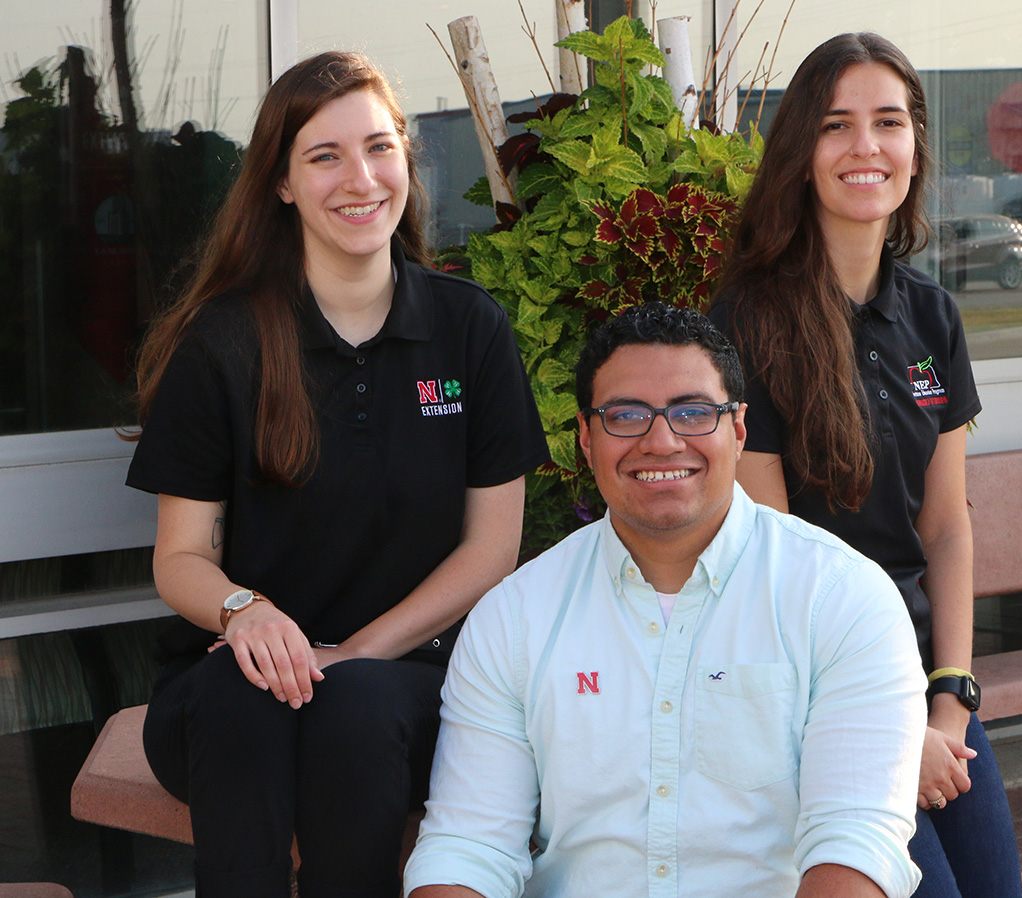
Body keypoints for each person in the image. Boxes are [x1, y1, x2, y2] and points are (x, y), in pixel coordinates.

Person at [125, 51, 549, 898]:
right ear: (281, 183)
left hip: (412, 683)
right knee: (246, 700)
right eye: (324, 156)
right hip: (232, 683)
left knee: (352, 713)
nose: (360, 179)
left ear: (405, 160)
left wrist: (354, 655)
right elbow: (181, 558)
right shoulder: (224, 343)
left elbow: (492, 547)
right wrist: (247, 616)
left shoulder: (469, 329)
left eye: (380, 148)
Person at [404, 302, 926, 898]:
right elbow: (469, 846)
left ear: (739, 428)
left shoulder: (839, 597)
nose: (661, 441)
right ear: (585, 435)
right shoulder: (516, 615)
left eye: (694, 412)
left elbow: (855, 842)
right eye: (625, 415)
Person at [709, 32, 1022, 898]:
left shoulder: (933, 316)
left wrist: (951, 696)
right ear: (802, 153)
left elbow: (947, 524)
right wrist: (896, 723)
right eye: (837, 125)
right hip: (822, 692)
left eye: (888, 122)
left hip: (930, 686)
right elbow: (768, 558)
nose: (865, 147)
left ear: (915, 147)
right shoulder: (746, 321)